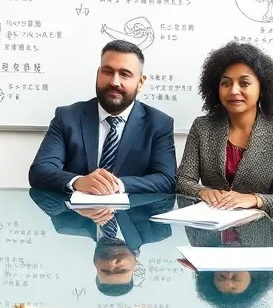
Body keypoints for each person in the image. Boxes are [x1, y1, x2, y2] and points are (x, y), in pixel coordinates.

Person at [28, 39, 177, 195]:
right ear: (98, 73)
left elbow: (167, 180)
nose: (114, 82)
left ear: (140, 82)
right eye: (107, 71)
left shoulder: (159, 123)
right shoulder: (66, 117)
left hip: (131, 216)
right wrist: (78, 181)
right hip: (74, 216)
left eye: (125, 74)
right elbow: (40, 170)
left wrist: (116, 185)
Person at [176, 42, 273, 217]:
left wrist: (254, 199)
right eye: (226, 83)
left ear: (262, 88)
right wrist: (202, 192)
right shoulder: (202, 127)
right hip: (208, 228)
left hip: (257, 234)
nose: (234, 90)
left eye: (244, 83)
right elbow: (183, 180)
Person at [29, 190, 173, 296]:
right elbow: (165, 194)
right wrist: (116, 201)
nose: (112, 264)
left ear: (95, 264)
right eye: (121, 270)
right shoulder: (157, 232)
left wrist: (79, 205)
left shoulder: (65, 226)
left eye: (105, 271)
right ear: (135, 265)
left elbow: (38, 194)